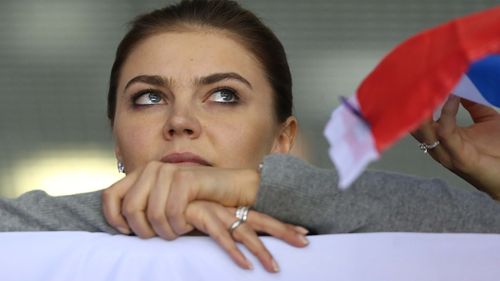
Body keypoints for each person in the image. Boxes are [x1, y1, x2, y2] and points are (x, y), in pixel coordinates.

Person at [1, 0, 500, 273]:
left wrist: (258, 192)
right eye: (149, 98)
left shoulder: (384, 238)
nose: (180, 120)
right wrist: (122, 210)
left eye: (223, 95)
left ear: (283, 141)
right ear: (116, 139)